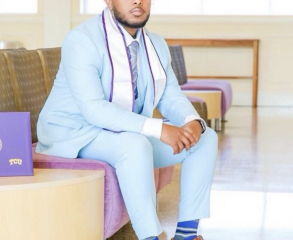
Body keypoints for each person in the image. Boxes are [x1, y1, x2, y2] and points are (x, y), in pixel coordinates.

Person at [36, 0, 218, 239]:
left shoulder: (156, 44)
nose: (137, 1)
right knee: (135, 144)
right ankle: (150, 236)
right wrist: (159, 129)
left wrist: (191, 120)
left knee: (205, 138)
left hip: (122, 132)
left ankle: (186, 234)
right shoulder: (82, 40)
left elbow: (170, 95)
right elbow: (94, 109)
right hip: (75, 132)